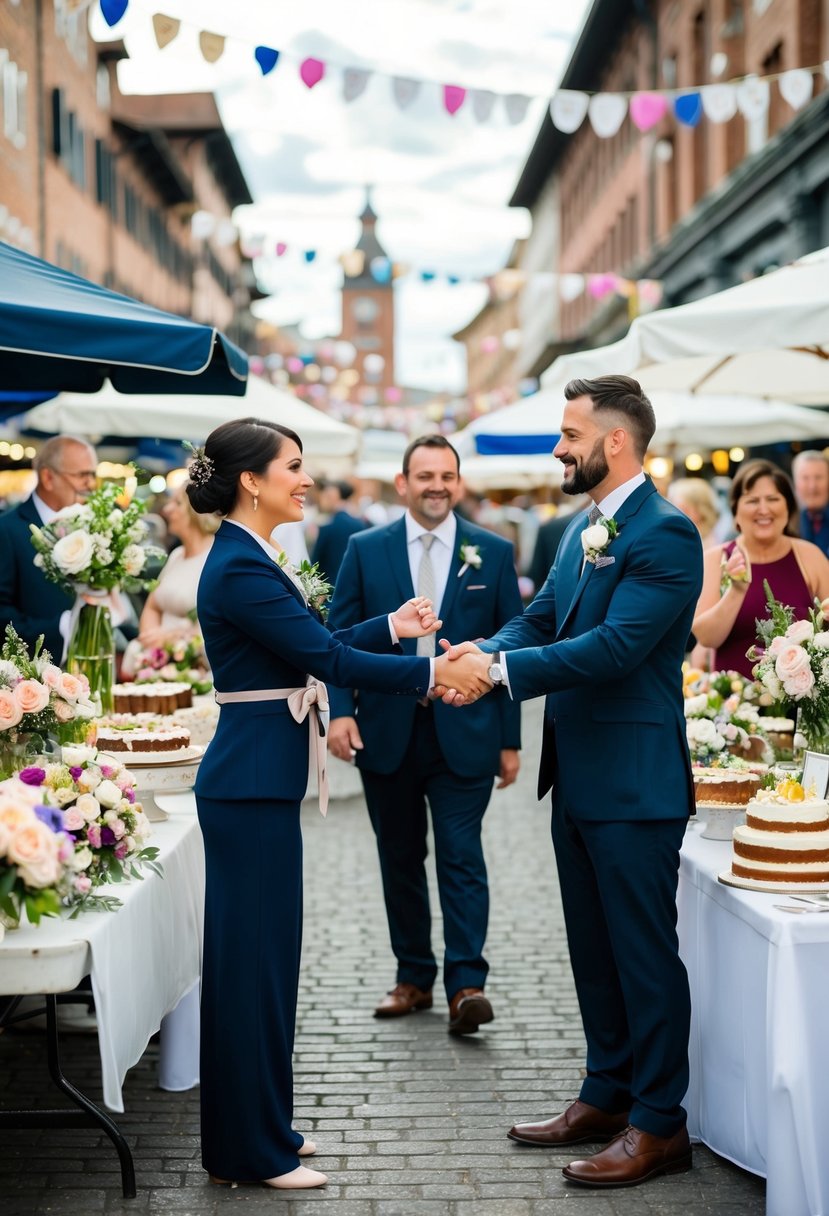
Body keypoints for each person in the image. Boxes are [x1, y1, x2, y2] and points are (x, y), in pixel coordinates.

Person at [186, 417, 481, 1192]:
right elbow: (322, 658)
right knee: (250, 967)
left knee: (270, 962)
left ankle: (263, 1126)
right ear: (252, 480)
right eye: (294, 465)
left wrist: (392, 625)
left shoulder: (254, 555)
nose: (306, 478)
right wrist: (428, 675)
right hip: (247, 784)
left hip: (259, 782)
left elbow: (312, 644)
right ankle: (250, 1151)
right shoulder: (243, 565)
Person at [439, 376, 703, 1188]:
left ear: (613, 441)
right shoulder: (579, 531)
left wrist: (497, 673)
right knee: (592, 952)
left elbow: (613, 650)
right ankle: (605, 1093)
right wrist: (483, 651)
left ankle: (660, 1124)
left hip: (636, 783)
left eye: (569, 433)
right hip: (580, 779)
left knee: (643, 957)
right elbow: (544, 618)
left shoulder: (664, 534)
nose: (558, 446)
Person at [327, 435, 523, 1035]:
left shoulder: (492, 551)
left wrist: (509, 738)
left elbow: (513, 641)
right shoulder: (365, 548)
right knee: (400, 858)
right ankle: (413, 977)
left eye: (447, 475)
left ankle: (467, 984)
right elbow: (337, 637)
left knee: (462, 857)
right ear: (403, 483)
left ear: (458, 484)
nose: (437, 485)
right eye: (425, 475)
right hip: (385, 730)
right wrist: (340, 711)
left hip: (467, 731)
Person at [692, 459, 829, 677]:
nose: (763, 509)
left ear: (788, 507)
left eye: (773, 499)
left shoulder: (809, 555)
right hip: (736, 704)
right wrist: (735, 592)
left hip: (800, 706)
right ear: (735, 511)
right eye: (752, 500)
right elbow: (707, 638)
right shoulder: (715, 559)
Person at [0, 434, 97, 658]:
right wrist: (61, 627)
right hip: (34, 676)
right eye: (82, 475)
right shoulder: (6, 529)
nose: (90, 484)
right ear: (48, 477)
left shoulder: (94, 523)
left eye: (93, 474)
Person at [137, 483, 219, 647]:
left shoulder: (216, 559)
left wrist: (168, 641)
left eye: (177, 503)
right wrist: (151, 645)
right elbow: (152, 606)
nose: (167, 509)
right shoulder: (176, 555)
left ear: (197, 511)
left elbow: (213, 626)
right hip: (156, 661)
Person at [310, 479, 366, 584]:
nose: (323, 499)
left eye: (327, 496)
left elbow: (316, 564)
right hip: (354, 586)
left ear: (334, 497)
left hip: (328, 589)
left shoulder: (327, 526)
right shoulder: (360, 524)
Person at [666, 478, 720, 549]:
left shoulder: (708, 544)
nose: (675, 515)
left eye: (683, 510)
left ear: (701, 511)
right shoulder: (676, 537)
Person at [793, 450, 829, 556]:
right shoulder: (783, 524)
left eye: (818, 477)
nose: (812, 486)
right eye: (805, 478)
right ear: (795, 482)